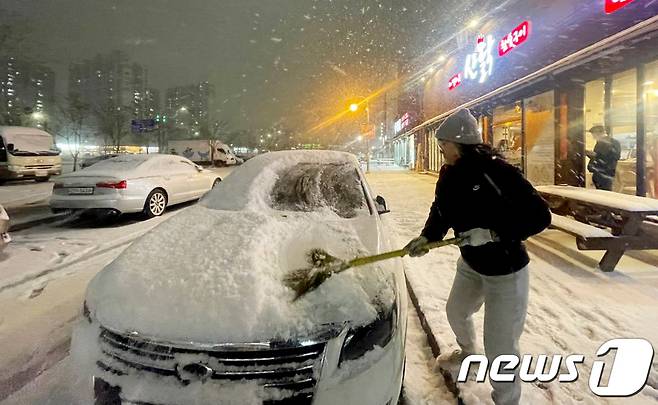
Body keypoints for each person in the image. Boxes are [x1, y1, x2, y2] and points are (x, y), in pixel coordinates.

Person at [404, 108, 551, 405]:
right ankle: (469, 355)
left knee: (500, 346)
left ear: (459, 142)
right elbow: (441, 210)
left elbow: (540, 216)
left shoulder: (497, 172)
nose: (440, 148)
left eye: (443, 144)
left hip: (506, 271)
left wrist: (493, 233)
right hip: (471, 264)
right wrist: (427, 237)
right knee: (456, 311)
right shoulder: (449, 173)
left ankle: (506, 400)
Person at [586, 125, 621, 191]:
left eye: (593, 135)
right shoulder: (613, 142)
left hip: (605, 172)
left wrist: (595, 155)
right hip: (604, 172)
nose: (593, 137)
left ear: (598, 133)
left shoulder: (606, 143)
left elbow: (612, 156)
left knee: (604, 192)